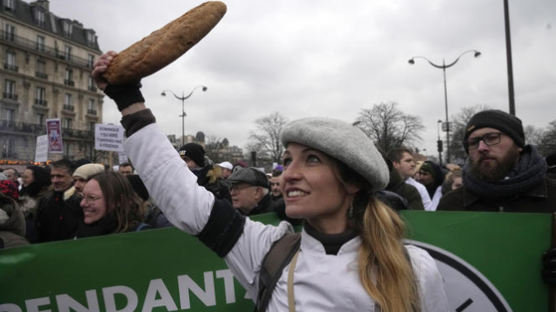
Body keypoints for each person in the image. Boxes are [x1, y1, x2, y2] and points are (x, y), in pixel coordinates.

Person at [92, 51, 448, 311]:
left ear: (352, 181)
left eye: (311, 160)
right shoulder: (269, 252)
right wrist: (130, 102)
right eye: (286, 160)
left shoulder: (413, 268)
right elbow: (182, 196)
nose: (290, 173)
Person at [435, 110, 556, 287]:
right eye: (473, 142)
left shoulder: (553, 194)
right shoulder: (451, 205)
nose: (482, 147)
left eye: (492, 137)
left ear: (518, 144)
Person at [76, 172, 146, 238]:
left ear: (118, 200)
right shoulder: (79, 233)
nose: (82, 203)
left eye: (92, 197)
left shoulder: (142, 235)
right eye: (83, 197)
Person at [35, 159, 82, 242]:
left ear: (72, 177)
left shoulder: (81, 201)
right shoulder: (45, 200)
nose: (55, 180)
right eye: (52, 176)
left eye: (60, 176)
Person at [18, 165, 51, 243]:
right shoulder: (25, 192)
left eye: (26, 177)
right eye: (22, 177)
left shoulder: (46, 197)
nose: (23, 180)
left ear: (37, 179)